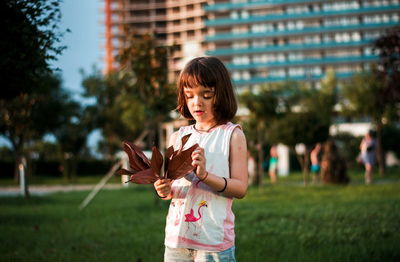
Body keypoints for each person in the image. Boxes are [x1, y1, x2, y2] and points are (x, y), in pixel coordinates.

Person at [153, 56, 248, 262]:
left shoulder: (232, 135)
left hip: (213, 241)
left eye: (206, 95)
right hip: (177, 240)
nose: (197, 102)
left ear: (221, 95)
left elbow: (240, 188)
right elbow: (173, 189)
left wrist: (204, 175)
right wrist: (164, 190)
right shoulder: (178, 137)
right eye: (189, 95)